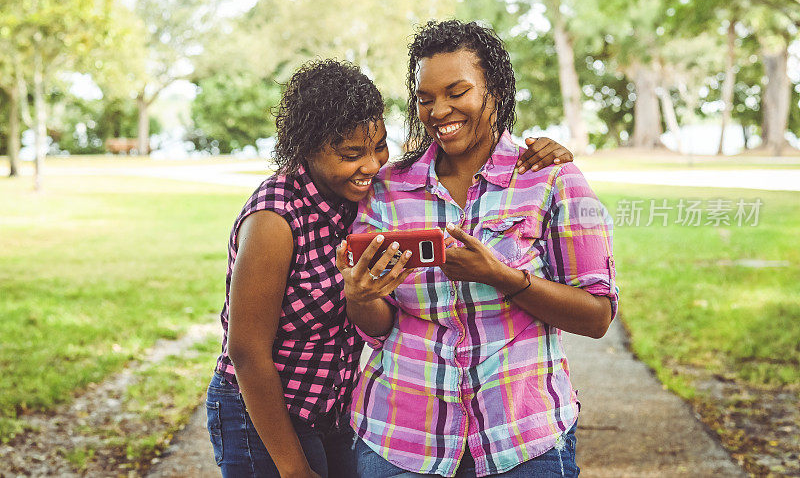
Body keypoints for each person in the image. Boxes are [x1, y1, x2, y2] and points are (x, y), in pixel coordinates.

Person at [206, 58, 573, 478]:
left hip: (333, 408)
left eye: (379, 145)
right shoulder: (275, 219)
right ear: (307, 148)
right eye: (351, 155)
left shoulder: (358, 198)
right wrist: (294, 470)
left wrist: (546, 151)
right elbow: (246, 351)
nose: (372, 164)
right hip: (262, 412)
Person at [337, 20, 618, 478]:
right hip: (402, 441)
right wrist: (360, 296)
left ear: (497, 91)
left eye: (456, 91)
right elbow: (380, 325)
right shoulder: (389, 189)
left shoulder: (552, 179)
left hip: (524, 438)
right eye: (425, 98)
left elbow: (596, 315)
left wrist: (501, 276)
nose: (438, 110)